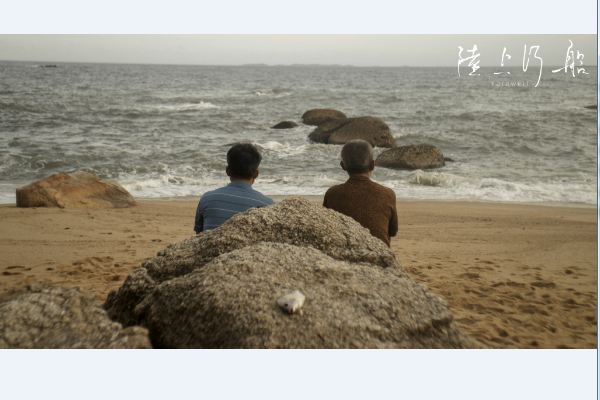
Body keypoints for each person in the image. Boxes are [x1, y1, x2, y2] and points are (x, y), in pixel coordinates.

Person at [323, 139, 398, 247]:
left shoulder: (332, 194)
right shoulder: (387, 194)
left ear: (343, 165)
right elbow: (392, 231)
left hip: (343, 253)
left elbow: (326, 228)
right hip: (380, 253)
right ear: (373, 165)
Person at [194, 143, 275, 233]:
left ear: (227, 171)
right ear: (256, 174)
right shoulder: (268, 206)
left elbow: (199, 237)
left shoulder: (207, 199)